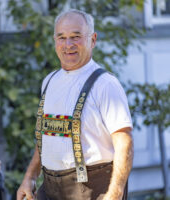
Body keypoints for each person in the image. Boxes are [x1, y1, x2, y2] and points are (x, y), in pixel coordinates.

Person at [17, 9, 133, 200]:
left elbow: (124, 142)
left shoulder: (105, 84)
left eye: (76, 37)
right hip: (51, 188)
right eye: (61, 37)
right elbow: (46, 139)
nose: (68, 44)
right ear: (55, 41)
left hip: (92, 189)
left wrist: (115, 192)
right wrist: (30, 177)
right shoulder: (49, 81)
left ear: (93, 40)